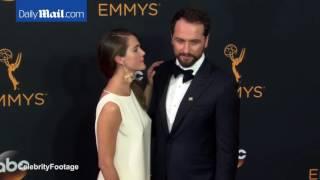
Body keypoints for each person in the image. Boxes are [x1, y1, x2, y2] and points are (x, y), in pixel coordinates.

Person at [149, 8, 240, 180]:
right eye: (179, 41)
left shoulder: (223, 85)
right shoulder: (161, 73)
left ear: (206, 41)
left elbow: (227, 151)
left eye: (194, 42)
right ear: (171, 38)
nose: (185, 49)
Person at [94, 29, 161, 180]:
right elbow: (105, 164)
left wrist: (149, 85)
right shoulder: (111, 107)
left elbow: (138, 114)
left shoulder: (130, 92)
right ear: (120, 59)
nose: (143, 53)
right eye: (136, 49)